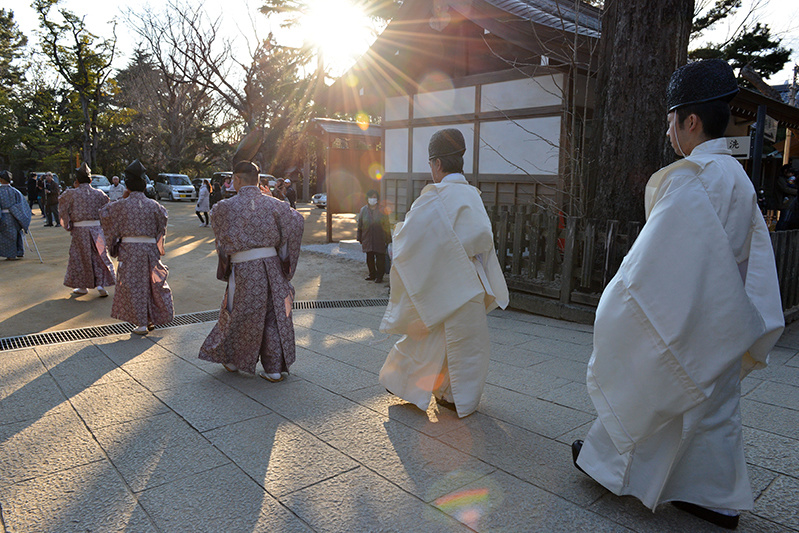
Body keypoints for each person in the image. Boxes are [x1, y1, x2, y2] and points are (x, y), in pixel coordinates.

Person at [571, 59, 785, 530]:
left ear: (690, 120)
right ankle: (717, 499)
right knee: (713, 410)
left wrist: (617, 305)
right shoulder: (735, 178)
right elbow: (752, 259)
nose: (669, 132)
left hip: (687, 313)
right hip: (724, 315)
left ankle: (606, 466)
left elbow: (648, 267)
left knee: (651, 380)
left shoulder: (692, 180)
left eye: (671, 121)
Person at [378, 128, 509, 418]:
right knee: (465, 343)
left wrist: (395, 247)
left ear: (436, 163)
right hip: (471, 282)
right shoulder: (472, 195)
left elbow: (410, 241)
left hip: (443, 281)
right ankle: (454, 396)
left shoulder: (434, 198)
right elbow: (483, 240)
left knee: (426, 339)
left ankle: (408, 386)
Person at [198, 159, 304, 381]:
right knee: (273, 316)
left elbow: (221, 241)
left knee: (239, 313)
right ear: (258, 180)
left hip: (244, 269)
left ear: (236, 179)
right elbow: (296, 222)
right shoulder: (276, 205)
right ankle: (274, 369)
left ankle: (233, 361)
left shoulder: (223, 208)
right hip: (272, 266)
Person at [100, 159, 174, 334]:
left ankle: (141, 323)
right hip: (149, 250)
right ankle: (150, 318)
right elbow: (161, 227)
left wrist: (114, 245)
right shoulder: (156, 206)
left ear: (127, 185)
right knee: (151, 284)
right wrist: (157, 248)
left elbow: (104, 215)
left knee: (134, 286)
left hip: (130, 250)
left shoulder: (120, 206)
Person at [58, 162, 116, 297]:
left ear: (77, 181)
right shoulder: (100, 194)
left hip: (79, 230)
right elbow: (108, 212)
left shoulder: (70, 194)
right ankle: (101, 285)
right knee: (99, 256)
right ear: (90, 180)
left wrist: (68, 224)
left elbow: (62, 210)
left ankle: (82, 286)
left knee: (80, 258)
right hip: (97, 229)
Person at [357, 189, 391, 283]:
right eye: (371, 197)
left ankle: (379, 276)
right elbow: (360, 224)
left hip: (379, 238)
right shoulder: (363, 210)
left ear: (377, 199)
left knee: (380, 258)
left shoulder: (382, 210)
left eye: (374, 197)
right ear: (367, 198)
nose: (372, 199)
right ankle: (372, 274)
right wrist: (359, 237)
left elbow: (387, 225)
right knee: (369, 258)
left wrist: (388, 238)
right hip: (367, 237)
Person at [0, 170, 31, 260]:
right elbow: (22, 206)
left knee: (6, 236)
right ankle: (18, 251)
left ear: (1, 180)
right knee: (16, 234)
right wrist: (16, 212)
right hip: (15, 217)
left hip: (3, 217)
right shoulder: (16, 191)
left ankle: (10, 255)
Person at [774, 165, 797, 231]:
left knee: (787, 219)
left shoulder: (791, 179)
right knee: (784, 219)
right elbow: (785, 189)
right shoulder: (781, 179)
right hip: (785, 203)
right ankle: (779, 231)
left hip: (790, 203)